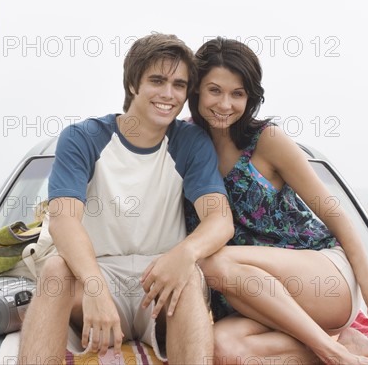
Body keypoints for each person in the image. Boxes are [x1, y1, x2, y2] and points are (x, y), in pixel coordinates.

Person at [18, 33, 234, 364]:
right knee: (55, 270)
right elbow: (63, 219)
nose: (168, 94)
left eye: (179, 85)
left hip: (159, 280)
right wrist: (94, 287)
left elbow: (220, 219)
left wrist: (185, 253)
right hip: (99, 271)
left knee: (189, 273)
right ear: (133, 83)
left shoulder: (190, 142)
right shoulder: (84, 138)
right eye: (157, 80)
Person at [187, 37, 368, 365]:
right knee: (223, 349)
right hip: (258, 299)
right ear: (197, 90)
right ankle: (347, 349)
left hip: (321, 278)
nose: (225, 104)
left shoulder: (267, 141)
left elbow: (337, 217)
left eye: (238, 93)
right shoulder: (186, 149)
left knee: (210, 259)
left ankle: (336, 356)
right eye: (214, 90)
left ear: (251, 97)